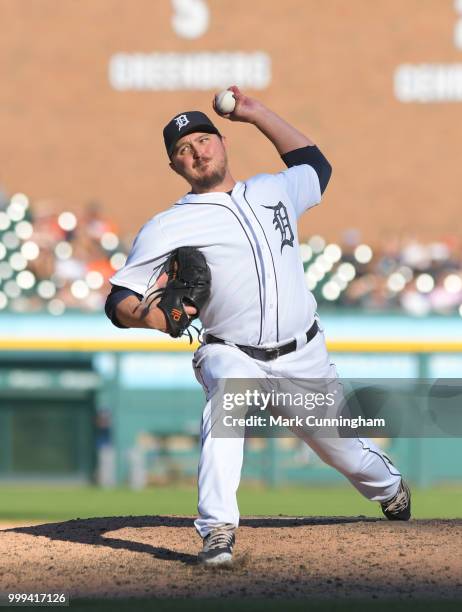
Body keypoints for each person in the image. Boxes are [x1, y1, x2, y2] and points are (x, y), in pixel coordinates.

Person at [105, 86, 411, 566]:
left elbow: (316, 165)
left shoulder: (274, 189)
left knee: (345, 454)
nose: (195, 151)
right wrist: (157, 317)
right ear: (175, 168)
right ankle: (218, 531)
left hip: (302, 353)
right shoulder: (168, 226)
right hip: (232, 351)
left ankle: (389, 486)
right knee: (227, 398)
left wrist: (256, 112)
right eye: (182, 150)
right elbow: (118, 300)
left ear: (223, 143)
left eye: (203, 140)